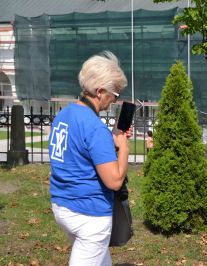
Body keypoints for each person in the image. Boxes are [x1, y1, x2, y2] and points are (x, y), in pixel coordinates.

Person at [48, 51, 131, 266]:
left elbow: (77, 154)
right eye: (115, 94)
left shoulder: (63, 115)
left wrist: (107, 143)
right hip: (88, 215)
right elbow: (114, 181)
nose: (114, 100)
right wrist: (122, 147)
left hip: (62, 205)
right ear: (100, 91)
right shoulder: (95, 128)